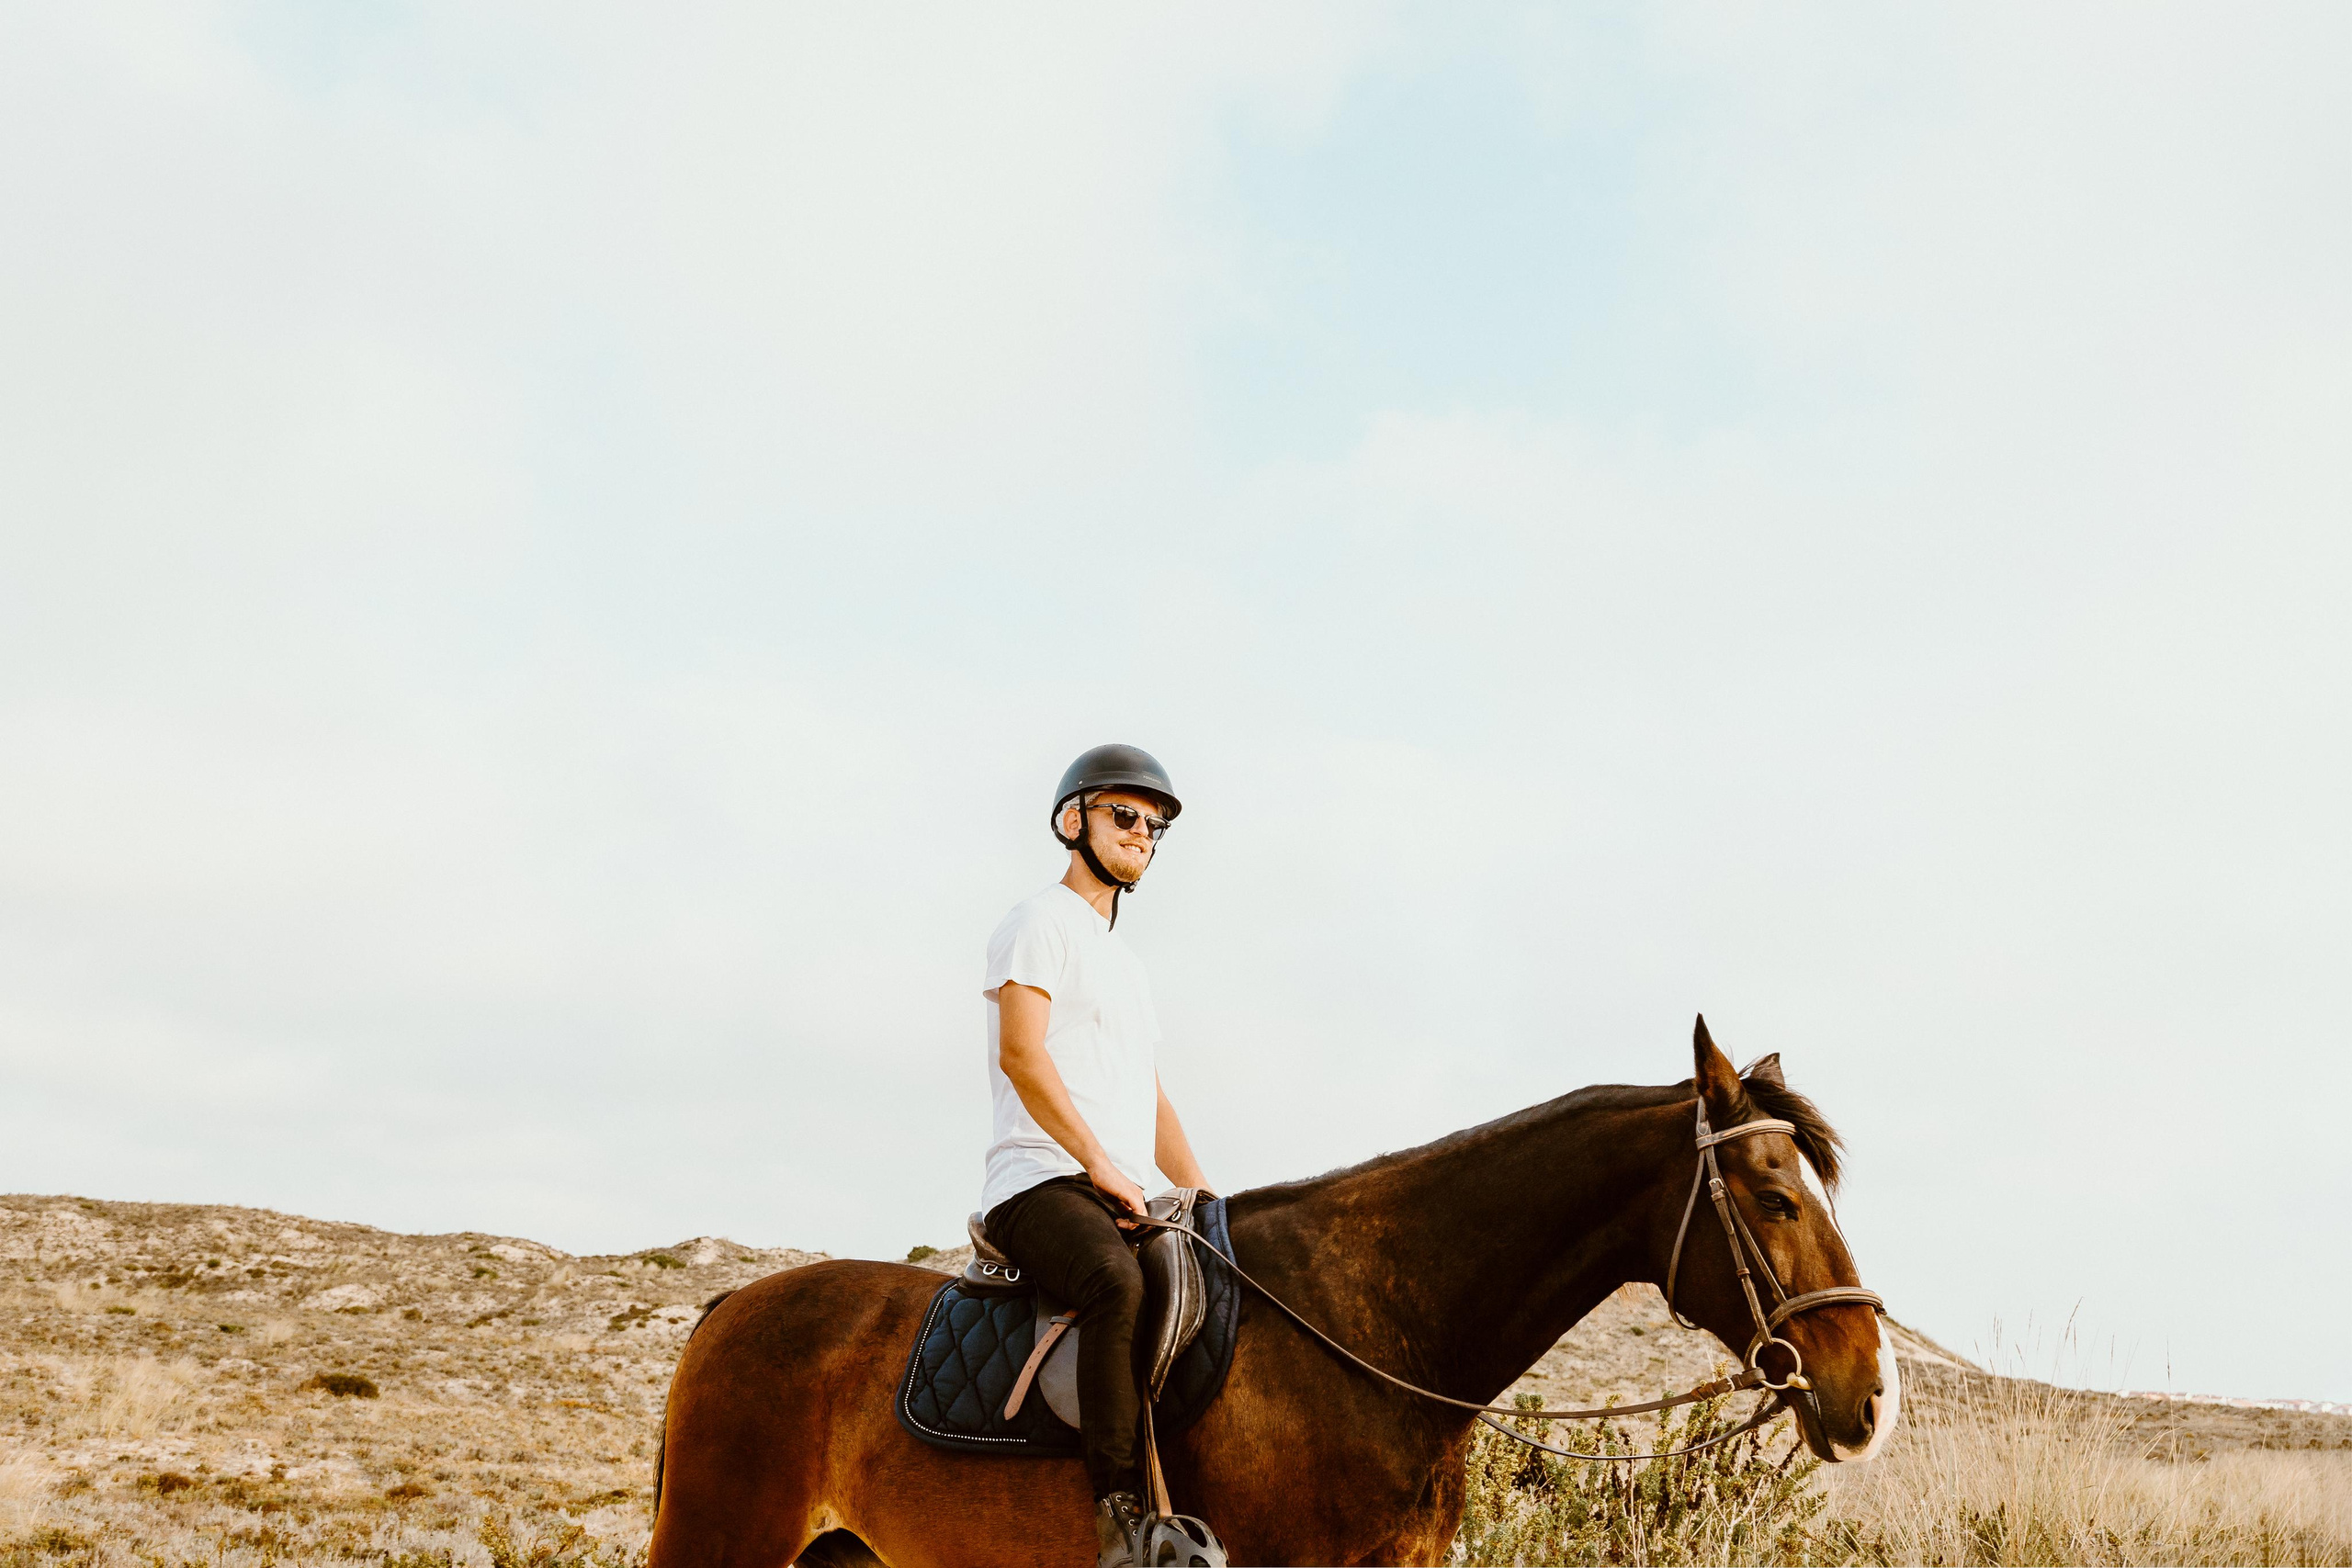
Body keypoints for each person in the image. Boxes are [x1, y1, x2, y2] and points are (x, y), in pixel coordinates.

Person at [979, 744, 1212, 1568]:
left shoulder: (1130, 966)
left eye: (1154, 826)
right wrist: (1098, 1162)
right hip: (1038, 1180)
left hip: (1117, 1189)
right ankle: (1122, 1523)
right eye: (1125, 815)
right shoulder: (1039, 921)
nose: (1142, 834)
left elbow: (1152, 1103)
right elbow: (1022, 1055)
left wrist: (1208, 1200)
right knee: (1116, 1282)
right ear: (1072, 820)